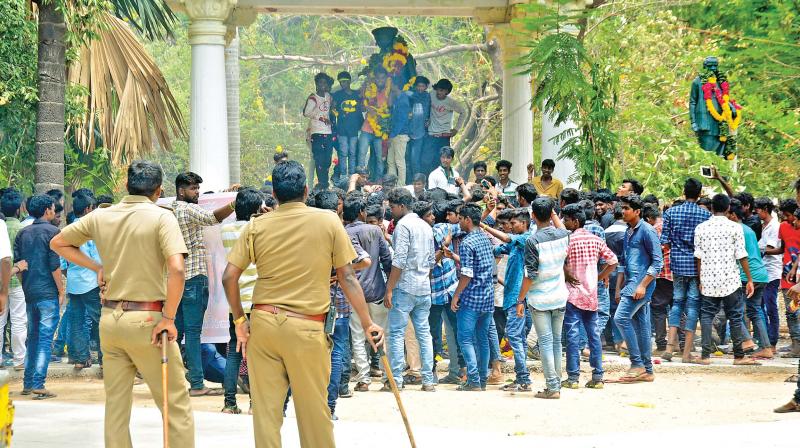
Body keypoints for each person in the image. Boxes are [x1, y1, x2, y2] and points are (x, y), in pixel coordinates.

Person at [221, 160, 384, 447]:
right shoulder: (328, 221)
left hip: (264, 324)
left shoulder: (257, 226)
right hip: (307, 328)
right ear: (306, 191)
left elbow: (229, 277)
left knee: (266, 414)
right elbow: (347, 276)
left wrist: (239, 321)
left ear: (273, 192)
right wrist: (369, 322)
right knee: (314, 413)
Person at [51, 161, 195, 447]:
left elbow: (59, 243)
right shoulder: (161, 217)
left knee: (116, 406)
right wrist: (168, 318)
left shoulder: (102, 216)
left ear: (126, 186)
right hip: (148, 320)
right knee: (175, 404)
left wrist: (96, 267)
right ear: (159, 191)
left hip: (111, 320)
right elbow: (177, 269)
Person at [172, 172, 235, 396]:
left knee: (176, 332)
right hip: (194, 279)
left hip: (176, 280)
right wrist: (234, 203)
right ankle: (197, 384)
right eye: (193, 189)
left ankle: (171, 381)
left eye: (198, 188)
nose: (197, 192)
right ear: (181, 190)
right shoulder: (189, 210)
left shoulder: (172, 210)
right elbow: (212, 218)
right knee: (192, 333)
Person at [314, 191, 371, 419]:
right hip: (339, 304)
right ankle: (330, 407)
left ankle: (314, 405)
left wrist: (337, 275)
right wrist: (341, 274)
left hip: (313, 304)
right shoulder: (340, 232)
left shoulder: (310, 232)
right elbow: (365, 261)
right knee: (337, 352)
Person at [693, 194, 759, 366]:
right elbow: (742, 255)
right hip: (731, 279)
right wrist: (749, 279)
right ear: (728, 208)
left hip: (708, 278)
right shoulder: (735, 227)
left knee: (706, 316)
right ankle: (739, 356)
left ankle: (705, 355)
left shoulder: (701, 228)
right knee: (735, 317)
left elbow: (698, 257)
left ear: (712, 208)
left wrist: (701, 278)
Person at [383, 187, 436, 392]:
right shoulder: (425, 226)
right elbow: (432, 260)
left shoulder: (403, 226)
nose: (391, 211)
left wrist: (389, 288)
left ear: (402, 206)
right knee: (424, 333)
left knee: (396, 333)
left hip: (404, 286)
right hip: (423, 287)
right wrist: (425, 281)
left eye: (393, 207)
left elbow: (399, 260)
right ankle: (428, 380)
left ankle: (396, 379)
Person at [516, 198, 570, 399]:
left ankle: (552, 386)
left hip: (540, 298)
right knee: (556, 342)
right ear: (553, 213)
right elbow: (562, 229)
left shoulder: (533, 241)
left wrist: (520, 300)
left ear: (532, 216)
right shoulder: (563, 235)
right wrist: (553, 212)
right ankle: (556, 382)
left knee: (546, 343)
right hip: (559, 295)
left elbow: (530, 274)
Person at [560, 204, 618, 390]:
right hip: (591, 294)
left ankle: (573, 377)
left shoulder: (568, 240)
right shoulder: (595, 239)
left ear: (575, 221)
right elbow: (613, 261)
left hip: (572, 294)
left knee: (572, 336)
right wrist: (599, 277)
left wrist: (566, 273)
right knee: (593, 335)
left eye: (566, 219)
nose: (564, 222)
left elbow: (560, 260)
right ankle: (598, 375)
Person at [219, 187, 264, 414]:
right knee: (256, 354)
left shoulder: (225, 229)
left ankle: (229, 403)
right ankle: (255, 404)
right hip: (256, 301)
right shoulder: (258, 229)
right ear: (258, 208)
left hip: (234, 302)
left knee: (234, 353)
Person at [14, 194, 63, 399]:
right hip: (47, 291)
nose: (54, 211)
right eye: (53, 208)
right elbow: (54, 265)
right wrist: (61, 290)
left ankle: (28, 382)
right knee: (44, 338)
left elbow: (19, 263)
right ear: (47, 211)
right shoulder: (53, 232)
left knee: (33, 337)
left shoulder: (22, 233)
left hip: (29, 290)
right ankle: (38, 384)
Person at [342, 193, 392, 392]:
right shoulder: (375, 230)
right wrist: (390, 289)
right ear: (362, 212)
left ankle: (363, 378)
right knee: (382, 334)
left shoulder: (343, 232)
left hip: (354, 293)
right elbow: (387, 259)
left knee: (357, 336)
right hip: (377, 290)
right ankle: (386, 374)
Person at [659, 178, 710, 362]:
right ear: (699, 194)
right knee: (693, 306)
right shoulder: (705, 215)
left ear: (684, 191)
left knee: (677, 303)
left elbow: (664, 242)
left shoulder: (671, 212)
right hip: (697, 267)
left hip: (677, 264)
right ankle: (687, 353)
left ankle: (669, 348)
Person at [613, 194, 662, 383]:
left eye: (626, 208)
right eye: (622, 208)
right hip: (631, 285)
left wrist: (642, 285)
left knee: (621, 317)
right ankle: (647, 370)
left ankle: (637, 364)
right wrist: (619, 287)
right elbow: (624, 262)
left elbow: (657, 262)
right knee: (642, 325)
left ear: (637, 211)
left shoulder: (647, 231)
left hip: (641, 285)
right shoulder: (628, 231)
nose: (623, 211)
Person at [483, 209, 533, 391]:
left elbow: (505, 239)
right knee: (517, 337)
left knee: (514, 337)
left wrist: (483, 226)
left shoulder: (525, 238)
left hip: (517, 298)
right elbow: (497, 248)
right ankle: (522, 377)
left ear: (524, 223)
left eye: (514, 224)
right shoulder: (516, 244)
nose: (510, 227)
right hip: (512, 295)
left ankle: (524, 378)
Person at [450, 203, 495, 391]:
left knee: (465, 339)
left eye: (460, 219)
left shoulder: (467, 243)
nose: (459, 222)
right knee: (482, 339)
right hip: (487, 297)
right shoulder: (485, 238)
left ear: (467, 220)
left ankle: (474, 380)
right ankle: (482, 379)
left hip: (471, 298)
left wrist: (456, 295)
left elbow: (467, 273)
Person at [60, 193, 102, 370]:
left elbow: (63, 263)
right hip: (91, 281)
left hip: (74, 283)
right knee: (101, 320)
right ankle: (105, 361)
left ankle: (79, 358)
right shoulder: (89, 230)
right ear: (88, 209)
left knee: (76, 321)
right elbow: (97, 259)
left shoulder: (68, 230)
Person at [728, 199, 772, 358]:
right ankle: (766, 347)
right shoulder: (748, 229)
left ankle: (746, 340)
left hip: (745, 275)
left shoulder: (734, 230)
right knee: (755, 311)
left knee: (731, 309)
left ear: (732, 215)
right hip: (760, 274)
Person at [765, 199, 800, 357]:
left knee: (796, 311)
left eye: (788, 215)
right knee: (790, 309)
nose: (786, 219)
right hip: (787, 276)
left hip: (796, 275)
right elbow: (783, 249)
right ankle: (795, 343)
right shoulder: (784, 227)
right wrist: (764, 251)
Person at [1, 189, 28, 370]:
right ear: (19, 209)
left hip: (0, 282)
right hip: (17, 280)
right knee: (19, 320)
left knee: (0, 322)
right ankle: (19, 360)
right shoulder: (22, 229)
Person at [755, 197, 781, 347]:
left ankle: (772, 340)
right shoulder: (763, 226)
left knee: (771, 307)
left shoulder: (774, 227)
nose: (757, 213)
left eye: (758, 209)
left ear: (765, 209)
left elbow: (770, 249)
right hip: (763, 272)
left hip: (772, 271)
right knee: (761, 307)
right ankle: (764, 339)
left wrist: (756, 250)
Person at [425, 79, 466, 175]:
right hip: (431, 135)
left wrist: (456, 129)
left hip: (444, 136)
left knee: (444, 162)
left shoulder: (450, 102)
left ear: (447, 92)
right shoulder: (431, 94)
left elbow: (463, 112)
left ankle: (444, 184)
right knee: (427, 161)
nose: (440, 93)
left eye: (443, 91)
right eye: (439, 90)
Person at [304, 72, 335, 188]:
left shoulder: (328, 96)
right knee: (319, 159)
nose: (322, 85)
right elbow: (306, 113)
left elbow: (331, 107)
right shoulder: (313, 98)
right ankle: (322, 184)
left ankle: (324, 181)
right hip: (317, 131)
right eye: (320, 82)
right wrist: (319, 117)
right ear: (316, 84)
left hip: (328, 131)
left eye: (324, 83)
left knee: (327, 159)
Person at [359, 67, 391, 182]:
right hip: (367, 128)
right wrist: (367, 107)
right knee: (362, 154)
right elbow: (361, 105)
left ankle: (379, 183)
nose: (380, 80)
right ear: (375, 79)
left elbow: (390, 109)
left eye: (383, 78)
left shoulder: (388, 91)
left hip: (380, 131)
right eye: (378, 78)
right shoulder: (369, 89)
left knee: (380, 158)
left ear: (386, 79)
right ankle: (360, 181)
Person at [332, 71, 363, 179]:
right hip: (342, 129)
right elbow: (332, 106)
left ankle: (352, 175)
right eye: (341, 82)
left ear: (349, 81)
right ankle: (344, 175)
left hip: (354, 129)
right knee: (343, 152)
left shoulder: (356, 95)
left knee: (353, 153)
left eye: (345, 81)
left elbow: (361, 109)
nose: (342, 84)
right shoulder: (337, 95)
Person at [407, 76, 431, 183]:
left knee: (417, 158)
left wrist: (429, 119)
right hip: (409, 131)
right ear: (415, 86)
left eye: (423, 86)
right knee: (409, 159)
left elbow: (431, 111)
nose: (420, 88)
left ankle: (418, 182)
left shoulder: (428, 97)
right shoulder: (411, 95)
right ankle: (411, 181)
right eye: (418, 86)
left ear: (426, 87)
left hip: (422, 132)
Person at [387, 86, 412, 183]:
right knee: (390, 161)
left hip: (400, 135)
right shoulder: (398, 99)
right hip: (394, 134)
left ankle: (401, 185)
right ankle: (391, 183)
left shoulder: (403, 100)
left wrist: (391, 136)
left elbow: (401, 121)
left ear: (396, 85)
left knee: (399, 162)